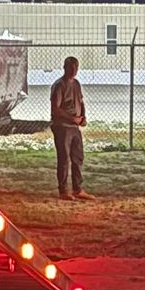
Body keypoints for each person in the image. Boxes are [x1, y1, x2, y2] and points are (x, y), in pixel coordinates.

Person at [50, 55, 87, 198]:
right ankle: (63, 190)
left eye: (76, 67)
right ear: (65, 68)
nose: (74, 70)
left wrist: (83, 117)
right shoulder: (59, 85)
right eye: (71, 67)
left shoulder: (76, 84)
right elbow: (55, 109)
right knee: (64, 158)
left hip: (74, 127)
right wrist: (72, 118)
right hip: (62, 126)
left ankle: (78, 188)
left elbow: (81, 101)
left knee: (77, 157)